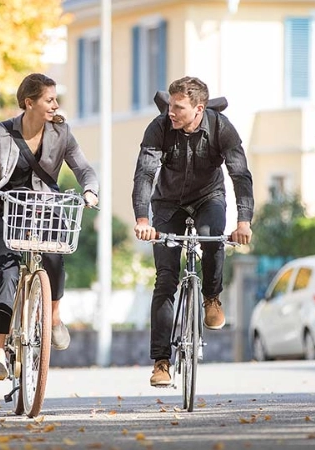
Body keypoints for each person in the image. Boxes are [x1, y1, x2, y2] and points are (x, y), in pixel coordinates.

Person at [0, 73, 99, 380]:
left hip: (47, 207)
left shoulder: (62, 132)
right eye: (49, 99)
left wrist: (90, 189)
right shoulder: (2, 132)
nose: (56, 105)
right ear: (29, 103)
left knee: (54, 258)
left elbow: (83, 167)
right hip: (10, 208)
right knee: (7, 274)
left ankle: (53, 317)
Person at [131, 76, 253, 386]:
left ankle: (211, 298)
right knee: (166, 279)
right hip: (167, 204)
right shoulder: (159, 128)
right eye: (170, 105)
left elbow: (239, 174)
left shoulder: (220, 128)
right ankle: (161, 361)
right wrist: (143, 219)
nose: (170, 112)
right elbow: (145, 174)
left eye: (178, 107)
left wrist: (243, 221)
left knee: (213, 238)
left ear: (198, 108)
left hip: (208, 198)